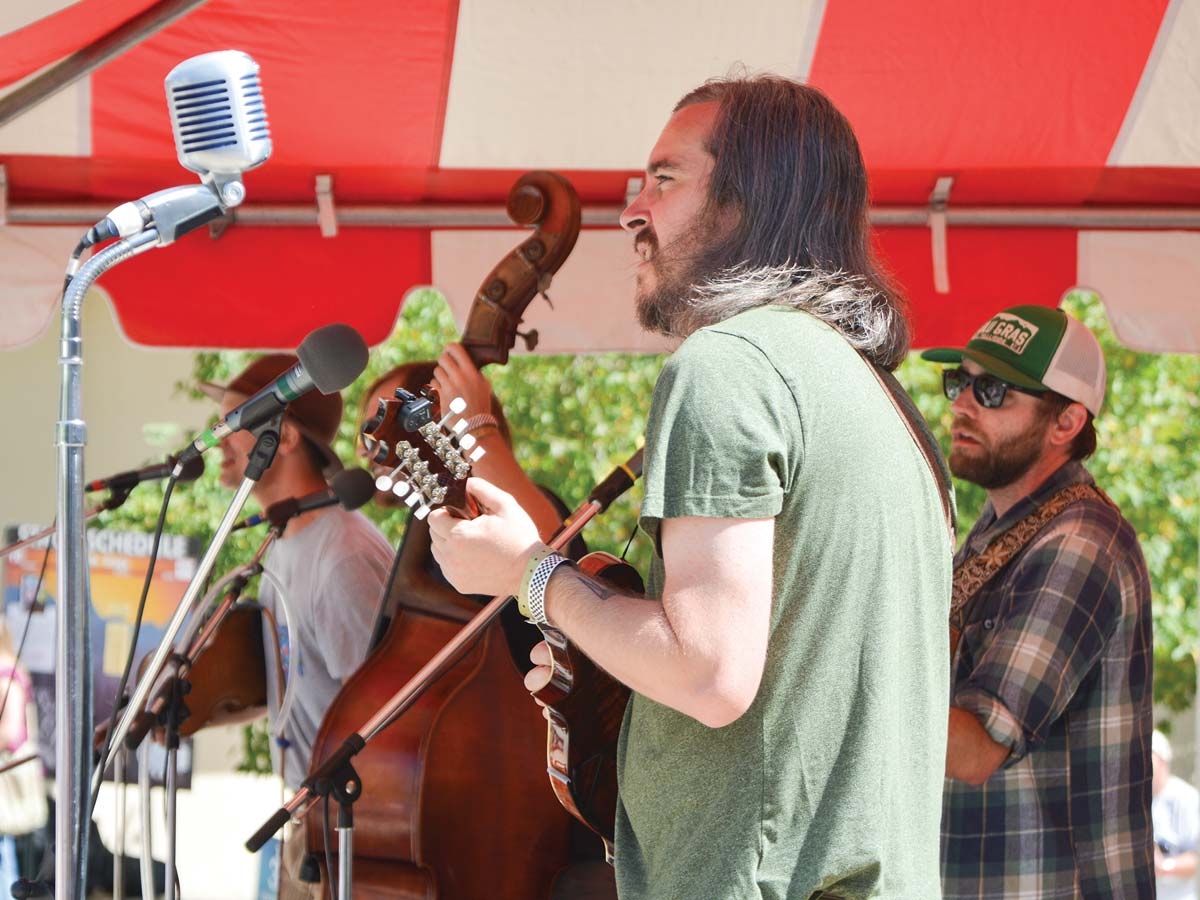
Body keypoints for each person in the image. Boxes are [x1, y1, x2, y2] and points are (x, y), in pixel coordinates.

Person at [429, 75, 952, 899]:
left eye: (664, 179)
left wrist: (529, 578)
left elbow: (709, 674)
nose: (632, 211)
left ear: (752, 200)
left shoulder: (726, 367)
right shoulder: (889, 406)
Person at [923, 305, 1155, 898]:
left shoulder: (1080, 542)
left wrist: (838, 665)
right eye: (960, 381)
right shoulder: (998, 534)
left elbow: (974, 751)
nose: (961, 405)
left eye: (993, 390)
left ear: (1067, 422)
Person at [198, 354, 394, 900]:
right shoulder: (286, 541)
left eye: (235, 425)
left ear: (282, 438)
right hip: (309, 820)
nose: (219, 442)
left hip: (349, 831)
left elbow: (379, 721)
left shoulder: (342, 553)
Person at [1152, 729, 1199, 900]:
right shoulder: (1136, 800)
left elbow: (1192, 861)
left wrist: (1163, 866)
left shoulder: (1185, 796)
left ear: (1161, 760)